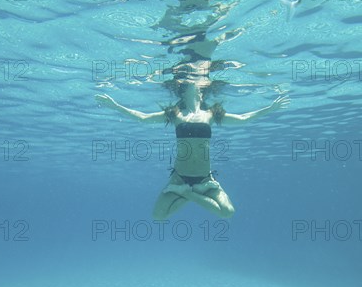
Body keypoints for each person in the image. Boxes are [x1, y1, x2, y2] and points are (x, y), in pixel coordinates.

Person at [95, 87, 290, 219]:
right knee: (158, 216)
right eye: (189, 84)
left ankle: (188, 193)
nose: (194, 87)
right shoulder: (175, 114)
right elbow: (144, 118)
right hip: (179, 178)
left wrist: (270, 109)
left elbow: (243, 118)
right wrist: (116, 106)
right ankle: (190, 192)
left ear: (202, 92)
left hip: (205, 179)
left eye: (197, 85)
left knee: (228, 212)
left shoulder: (211, 115)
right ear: (182, 89)